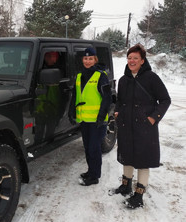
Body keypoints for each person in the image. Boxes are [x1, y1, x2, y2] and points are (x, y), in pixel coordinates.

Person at [113, 44, 171, 209]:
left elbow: (165, 100)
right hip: (126, 125)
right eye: (129, 58)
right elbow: (119, 101)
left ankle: (138, 195)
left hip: (145, 128)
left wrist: (153, 118)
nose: (131, 61)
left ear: (142, 61)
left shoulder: (151, 78)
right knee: (127, 155)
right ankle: (125, 186)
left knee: (143, 160)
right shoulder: (124, 80)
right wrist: (117, 112)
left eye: (135, 58)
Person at [69, 47, 112, 186]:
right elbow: (76, 96)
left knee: (94, 148)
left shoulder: (101, 75)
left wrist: (101, 116)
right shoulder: (80, 76)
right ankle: (90, 171)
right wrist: (72, 112)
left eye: (90, 59)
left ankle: (94, 176)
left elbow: (107, 98)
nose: (88, 61)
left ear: (95, 60)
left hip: (97, 121)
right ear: (83, 60)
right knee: (87, 147)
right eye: (85, 58)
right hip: (84, 119)